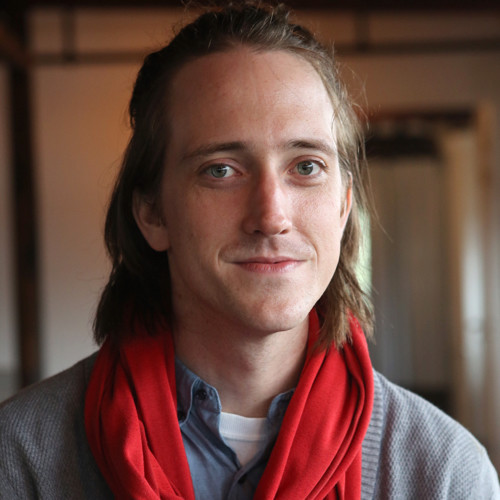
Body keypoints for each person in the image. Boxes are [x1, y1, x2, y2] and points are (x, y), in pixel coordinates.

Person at [0, 3, 499, 499]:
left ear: (344, 206)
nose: (271, 215)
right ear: (153, 214)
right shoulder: (21, 455)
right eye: (221, 170)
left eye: (306, 166)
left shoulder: (446, 472)